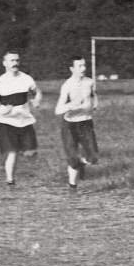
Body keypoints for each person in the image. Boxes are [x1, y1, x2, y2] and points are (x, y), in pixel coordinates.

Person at [0, 51, 42, 187]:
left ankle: (22, 152)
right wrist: (0, 110)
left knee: (30, 153)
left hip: (25, 120)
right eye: (11, 61)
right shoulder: (0, 82)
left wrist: (37, 100)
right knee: (12, 152)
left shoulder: (26, 78)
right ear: (5, 63)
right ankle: (10, 181)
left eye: (17, 60)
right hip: (7, 121)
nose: (15, 63)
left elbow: (37, 92)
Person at [54, 55, 100, 190]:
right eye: (79, 66)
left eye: (84, 65)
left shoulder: (90, 82)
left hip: (86, 123)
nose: (83, 68)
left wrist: (94, 105)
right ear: (72, 69)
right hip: (70, 124)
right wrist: (71, 105)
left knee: (93, 158)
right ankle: (72, 187)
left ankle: (80, 162)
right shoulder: (67, 86)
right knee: (73, 159)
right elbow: (58, 110)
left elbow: (93, 95)